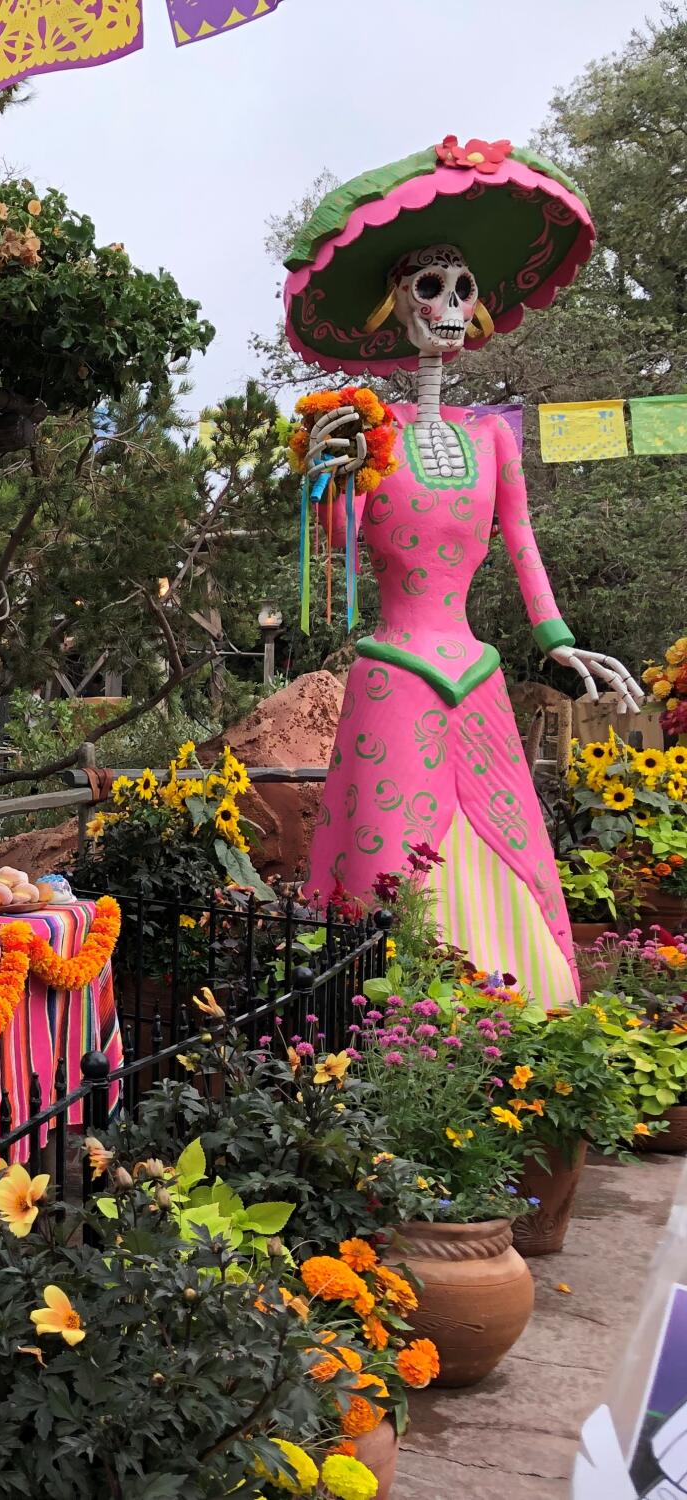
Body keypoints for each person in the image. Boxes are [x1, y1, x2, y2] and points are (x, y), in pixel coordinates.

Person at [286, 136, 640, 1006]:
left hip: (475, 670)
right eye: (428, 288)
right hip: (394, 671)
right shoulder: (372, 430)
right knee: (387, 853)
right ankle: (385, 1020)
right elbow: (341, 547)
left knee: (505, 837)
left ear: (478, 311)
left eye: (463, 290)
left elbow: (522, 545)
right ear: (394, 308)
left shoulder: (492, 437)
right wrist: (327, 477)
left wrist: (559, 642)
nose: (448, 304)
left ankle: (517, 1015)